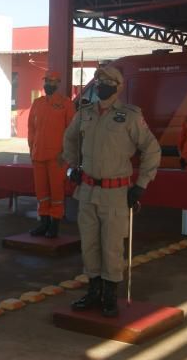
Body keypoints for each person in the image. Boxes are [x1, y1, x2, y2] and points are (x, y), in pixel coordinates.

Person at [62, 66, 161, 317]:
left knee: (111, 247)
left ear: (118, 88)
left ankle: (109, 296)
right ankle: (93, 291)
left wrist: (141, 185)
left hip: (116, 194)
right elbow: (69, 139)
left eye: (107, 82)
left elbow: (152, 150)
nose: (100, 85)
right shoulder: (84, 114)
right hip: (87, 191)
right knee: (90, 245)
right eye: (98, 81)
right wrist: (73, 165)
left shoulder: (129, 116)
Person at [27, 72, 75, 237]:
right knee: (41, 192)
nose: (49, 84)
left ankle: (54, 224)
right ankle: (44, 222)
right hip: (38, 155)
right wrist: (31, 150)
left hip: (57, 157)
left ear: (58, 83)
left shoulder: (66, 104)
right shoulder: (37, 103)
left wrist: (66, 153)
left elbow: (71, 132)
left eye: (52, 81)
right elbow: (31, 129)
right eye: (47, 81)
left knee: (56, 192)